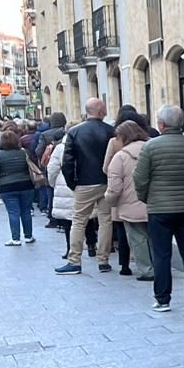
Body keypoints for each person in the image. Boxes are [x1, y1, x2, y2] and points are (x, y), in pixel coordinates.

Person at [134, 104, 184, 312]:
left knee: (161, 254)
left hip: (159, 209)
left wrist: (146, 198)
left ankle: (162, 298)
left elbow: (140, 178)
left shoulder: (150, 147)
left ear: (161, 124)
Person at [54, 98, 116, 275]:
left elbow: (67, 161)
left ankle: (74, 260)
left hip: (84, 182)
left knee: (79, 221)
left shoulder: (75, 132)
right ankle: (103, 260)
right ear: (100, 111)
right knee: (105, 220)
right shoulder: (111, 131)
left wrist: (72, 183)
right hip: (106, 180)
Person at [104, 120, 152, 281]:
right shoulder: (153, 148)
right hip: (155, 203)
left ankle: (147, 270)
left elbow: (114, 188)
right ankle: (160, 266)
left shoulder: (121, 157)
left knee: (138, 239)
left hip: (130, 206)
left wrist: (109, 200)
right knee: (156, 238)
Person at [0, 130, 38, 246]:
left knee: (13, 212)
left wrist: (2, 179)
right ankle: (28, 236)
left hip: (8, 186)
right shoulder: (24, 152)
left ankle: (15, 238)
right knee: (26, 211)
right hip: (26, 185)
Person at [34, 111, 67, 216]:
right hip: (66, 163)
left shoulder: (45, 134)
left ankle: (52, 215)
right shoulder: (67, 132)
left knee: (50, 190)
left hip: (50, 164)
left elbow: (38, 151)